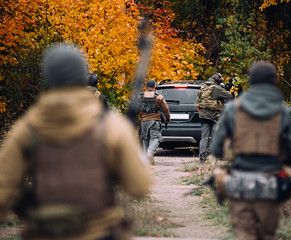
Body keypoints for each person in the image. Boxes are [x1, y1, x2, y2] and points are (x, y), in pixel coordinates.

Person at [0, 43, 152, 240]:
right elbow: (140, 187)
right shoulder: (111, 126)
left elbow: (3, 190)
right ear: (82, 75)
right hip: (100, 233)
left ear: (48, 78)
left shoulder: (27, 129)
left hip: (43, 233)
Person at [210, 61, 291, 240]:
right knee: (268, 234)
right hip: (270, 183)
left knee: (244, 234)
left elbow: (216, 148)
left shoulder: (233, 109)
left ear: (251, 81)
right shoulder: (284, 112)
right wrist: (282, 160)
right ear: (274, 81)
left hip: (240, 183)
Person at [197, 73, 233, 163]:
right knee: (214, 136)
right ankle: (213, 157)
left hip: (202, 115)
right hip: (213, 116)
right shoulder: (216, 88)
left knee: (204, 137)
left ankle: (202, 158)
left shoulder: (203, 86)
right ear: (218, 81)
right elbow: (230, 96)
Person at [140, 79, 170, 165]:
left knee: (145, 138)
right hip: (155, 120)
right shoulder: (159, 96)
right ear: (155, 86)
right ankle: (150, 154)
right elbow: (165, 109)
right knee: (155, 138)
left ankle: (146, 158)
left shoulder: (141, 96)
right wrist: (167, 118)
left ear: (146, 86)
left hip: (144, 121)